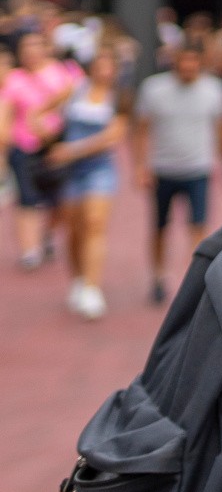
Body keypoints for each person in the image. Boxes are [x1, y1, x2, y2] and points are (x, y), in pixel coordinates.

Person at [133, 42, 222, 303]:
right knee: (160, 226)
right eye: (183, 61)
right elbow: (143, 129)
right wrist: (141, 165)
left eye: (193, 62)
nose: (187, 67)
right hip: (163, 168)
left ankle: (193, 282)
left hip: (198, 168)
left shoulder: (214, 90)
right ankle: (158, 277)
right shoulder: (154, 89)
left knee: (198, 226)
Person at [49, 47, 128, 320]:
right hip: (70, 172)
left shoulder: (119, 97)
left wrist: (72, 149)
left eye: (109, 66)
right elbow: (42, 112)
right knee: (73, 230)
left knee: (94, 223)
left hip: (100, 169)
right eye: (100, 65)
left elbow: (112, 136)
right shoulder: (74, 90)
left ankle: (92, 288)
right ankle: (79, 278)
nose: (104, 71)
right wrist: (43, 133)